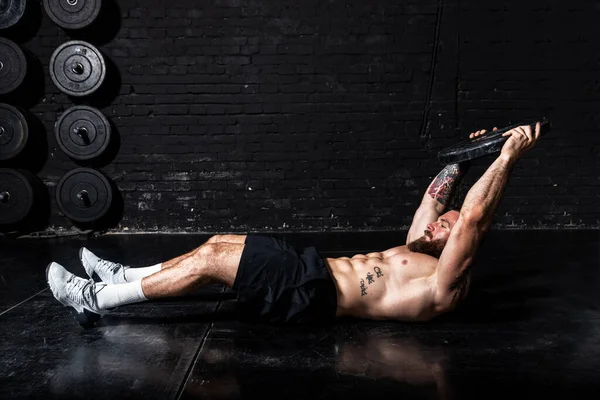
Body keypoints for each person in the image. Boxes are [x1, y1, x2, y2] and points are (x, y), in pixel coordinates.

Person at [46, 122, 542, 326]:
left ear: (461, 242)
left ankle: (96, 301)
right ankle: (124, 277)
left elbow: (473, 216)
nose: (435, 225)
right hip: (311, 268)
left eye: (445, 228)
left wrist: (508, 156)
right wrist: (471, 157)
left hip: (314, 294)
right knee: (218, 243)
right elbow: (436, 198)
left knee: (213, 261)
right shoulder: (420, 246)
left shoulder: (444, 281)